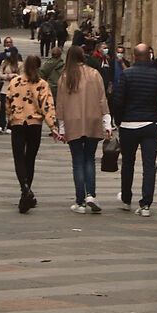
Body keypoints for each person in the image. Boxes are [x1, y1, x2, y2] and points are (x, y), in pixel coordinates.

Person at [112, 41, 157, 213]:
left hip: (128, 123)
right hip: (149, 124)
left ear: (134, 57)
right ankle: (146, 204)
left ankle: (126, 198)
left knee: (128, 163)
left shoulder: (127, 74)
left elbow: (118, 100)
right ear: (150, 56)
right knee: (149, 165)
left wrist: (119, 119)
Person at [53, 40, 109, 212]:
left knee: (77, 161)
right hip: (92, 120)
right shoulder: (94, 74)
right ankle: (91, 194)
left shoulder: (65, 77)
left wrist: (61, 128)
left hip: (73, 122)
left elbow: (60, 104)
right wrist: (107, 121)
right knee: (89, 159)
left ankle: (81, 202)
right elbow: (102, 99)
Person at [5, 55, 56, 212]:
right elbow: (47, 106)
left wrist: (11, 117)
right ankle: (26, 192)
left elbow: (7, 101)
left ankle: (25, 189)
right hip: (34, 124)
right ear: (39, 67)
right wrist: (53, 126)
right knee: (30, 158)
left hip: (18, 123)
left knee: (19, 157)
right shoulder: (42, 84)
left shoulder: (15, 82)